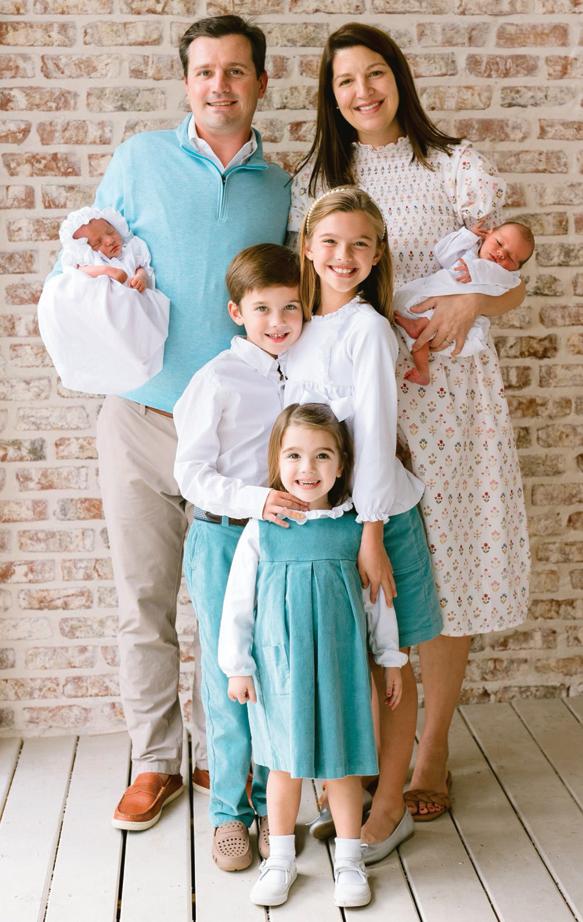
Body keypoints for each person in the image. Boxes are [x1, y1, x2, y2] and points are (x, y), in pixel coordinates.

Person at [45, 14, 292, 832]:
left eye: (235, 71)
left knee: (231, 606)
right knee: (143, 601)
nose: (219, 85)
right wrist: (100, 266)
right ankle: (154, 762)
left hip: (234, 433)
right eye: (204, 72)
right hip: (139, 417)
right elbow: (88, 252)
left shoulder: (279, 187)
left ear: (260, 82)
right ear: (186, 82)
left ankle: (226, 755)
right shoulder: (139, 158)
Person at [290, 22, 530, 827]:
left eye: (374, 73)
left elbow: (509, 277)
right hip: (360, 393)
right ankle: (365, 749)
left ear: (398, 78)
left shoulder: (451, 164)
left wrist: (472, 303)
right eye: (344, 81)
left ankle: (432, 750)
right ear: (330, 96)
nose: (362, 91)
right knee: (374, 571)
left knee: (448, 570)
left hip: (451, 395)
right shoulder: (317, 178)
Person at [285, 186, 442, 860]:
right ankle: (353, 787)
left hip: (378, 520)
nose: (343, 255)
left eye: (359, 244)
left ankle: (390, 807)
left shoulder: (368, 329)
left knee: (391, 663)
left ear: (377, 255)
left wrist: (371, 534)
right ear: (307, 248)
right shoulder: (295, 329)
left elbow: (375, 434)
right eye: (329, 241)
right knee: (345, 662)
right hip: (327, 523)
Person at [219, 403, 408, 908]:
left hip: (342, 670)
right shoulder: (263, 529)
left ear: (342, 465)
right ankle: (280, 860)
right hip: (281, 670)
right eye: (295, 455)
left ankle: (349, 860)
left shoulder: (353, 529)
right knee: (284, 767)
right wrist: (238, 667)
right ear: (277, 461)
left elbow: (377, 600)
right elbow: (238, 603)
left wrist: (390, 658)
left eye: (323, 455)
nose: (308, 468)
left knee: (342, 768)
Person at [172, 244, 306, 870]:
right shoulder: (217, 380)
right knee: (230, 674)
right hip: (224, 536)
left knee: (277, 671)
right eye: (263, 309)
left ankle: (273, 807)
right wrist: (256, 500)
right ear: (237, 312)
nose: (277, 322)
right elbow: (191, 473)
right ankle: (230, 813)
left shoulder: (303, 371)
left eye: (290, 308)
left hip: (284, 540)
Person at [38, 206, 170, 395]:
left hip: (133, 309)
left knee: (139, 338)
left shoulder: (131, 251)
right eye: (97, 242)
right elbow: (77, 273)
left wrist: (141, 277)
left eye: (110, 232)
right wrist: (108, 271)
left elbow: (142, 267)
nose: (109, 240)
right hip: (106, 311)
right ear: (85, 250)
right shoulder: (89, 262)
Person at [395, 220, 535, 384]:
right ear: (488, 233)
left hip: (460, 317)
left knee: (425, 333)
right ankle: (422, 370)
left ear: (516, 268)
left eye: (510, 257)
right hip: (434, 296)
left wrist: (475, 271)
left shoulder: (505, 276)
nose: (501, 253)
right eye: (499, 243)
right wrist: (468, 236)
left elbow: (497, 275)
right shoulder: (469, 252)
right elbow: (443, 253)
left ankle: (422, 354)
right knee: (414, 322)